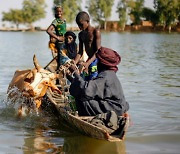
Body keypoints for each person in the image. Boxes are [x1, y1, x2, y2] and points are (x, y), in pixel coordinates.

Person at [67, 47, 129, 116]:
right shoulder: (110, 74)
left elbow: (85, 90)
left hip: (114, 110)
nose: (96, 63)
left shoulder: (105, 76)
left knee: (82, 98)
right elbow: (91, 88)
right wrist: (71, 78)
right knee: (84, 92)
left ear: (101, 63)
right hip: (118, 108)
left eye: (97, 61)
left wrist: (75, 73)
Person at [74, 11, 101, 80]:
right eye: (78, 25)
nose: (79, 27)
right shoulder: (81, 35)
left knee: (92, 78)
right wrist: (74, 63)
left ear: (88, 22)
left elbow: (98, 51)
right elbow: (80, 52)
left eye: (81, 24)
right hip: (88, 60)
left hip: (96, 60)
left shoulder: (95, 32)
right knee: (85, 79)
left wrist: (88, 63)